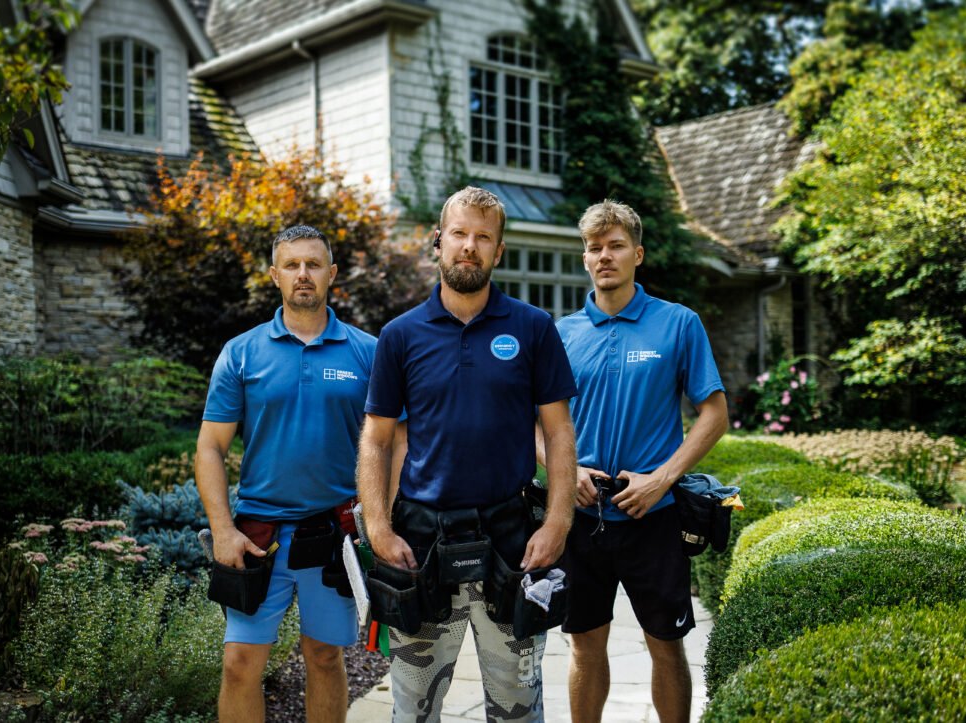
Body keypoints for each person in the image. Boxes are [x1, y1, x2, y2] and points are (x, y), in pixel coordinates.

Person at [356, 186, 579, 722]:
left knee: (519, 710)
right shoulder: (400, 335)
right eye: (459, 234)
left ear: (498, 252)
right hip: (421, 547)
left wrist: (558, 523)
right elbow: (376, 438)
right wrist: (380, 529)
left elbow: (558, 433)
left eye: (484, 237)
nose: (469, 247)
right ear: (438, 241)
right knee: (412, 710)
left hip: (511, 544)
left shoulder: (533, 328)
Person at [539, 200, 728, 723]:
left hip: (655, 516)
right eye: (595, 248)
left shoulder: (678, 324)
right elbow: (534, 423)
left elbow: (714, 413)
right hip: (581, 518)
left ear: (637, 254)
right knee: (584, 648)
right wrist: (566, 471)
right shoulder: (560, 334)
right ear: (584, 259)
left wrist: (663, 479)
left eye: (615, 245)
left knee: (666, 646)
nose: (605, 256)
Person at [196, 225, 392, 723]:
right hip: (256, 539)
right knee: (240, 663)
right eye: (291, 264)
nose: (302, 274)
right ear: (274, 275)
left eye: (312, 263)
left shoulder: (367, 352)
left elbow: (393, 443)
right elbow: (210, 448)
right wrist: (222, 530)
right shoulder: (241, 353)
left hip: (332, 535)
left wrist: (380, 520)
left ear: (332, 273)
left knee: (325, 658)